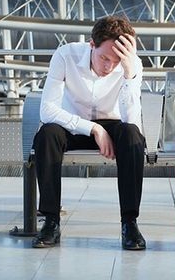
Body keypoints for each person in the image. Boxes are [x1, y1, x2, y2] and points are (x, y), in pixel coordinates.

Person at [31, 16, 146, 250]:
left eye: (115, 61)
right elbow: (47, 110)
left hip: (114, 125)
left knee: (132, 136)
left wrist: (129, 74)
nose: (108, 67)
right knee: (47, 135)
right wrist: (93, 128)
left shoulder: (130, 65)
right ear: (92, 44)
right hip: (73, 125)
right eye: (104, 58)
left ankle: (130, 223)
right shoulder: (66, 55)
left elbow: (131, 120)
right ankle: (51, 221)